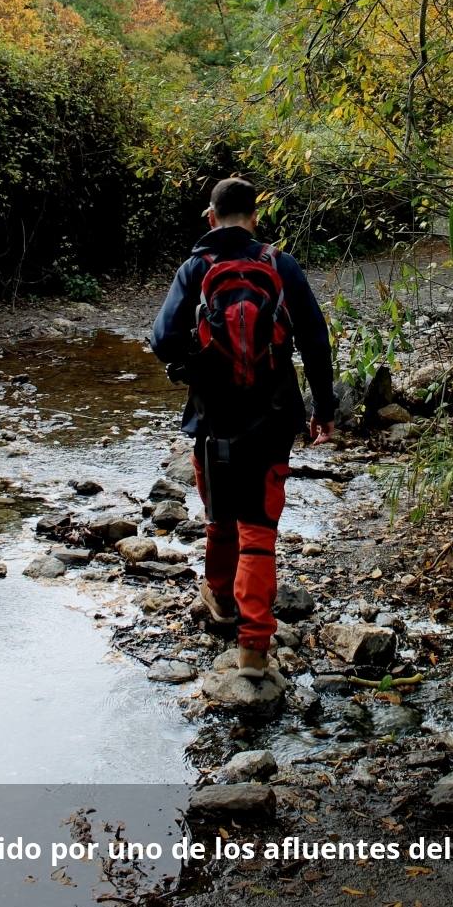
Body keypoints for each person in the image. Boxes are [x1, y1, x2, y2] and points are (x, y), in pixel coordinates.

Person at [150, 177, 335, 679]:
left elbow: (162, 339)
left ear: (211, 218)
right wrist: (324, 408)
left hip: (212, 414)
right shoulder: (281, 264)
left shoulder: (196, 267)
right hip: (274, 415)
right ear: (255, 217)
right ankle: (254, 648)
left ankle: (221, 599)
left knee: (219, 513)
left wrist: (197, 360)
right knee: (259, 531)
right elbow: (316, 340)